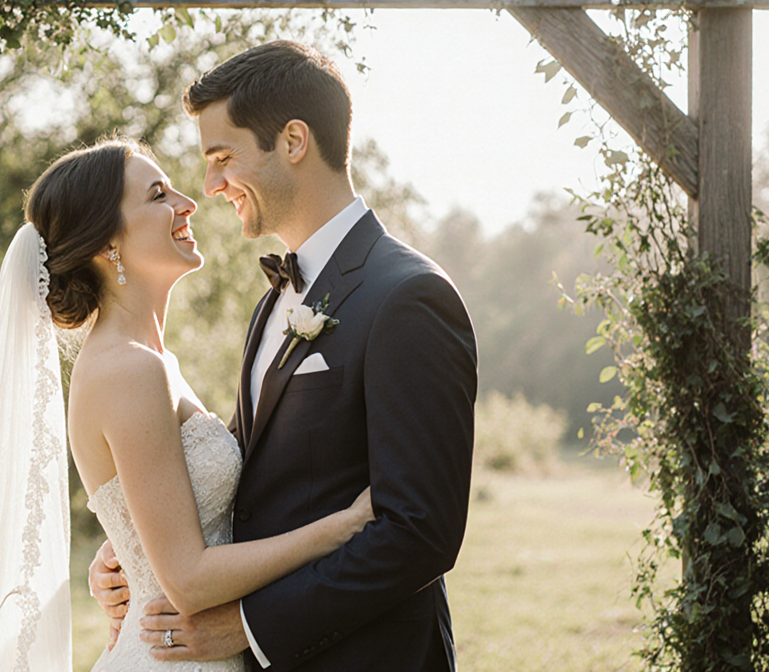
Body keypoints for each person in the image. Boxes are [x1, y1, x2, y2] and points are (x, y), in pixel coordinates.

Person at [88, 41, 478, 671]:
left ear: (293, 141)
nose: (210, 187)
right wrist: (133, 552)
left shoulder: (409, 297)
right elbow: (253, 472)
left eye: (223, 158)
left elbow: (420, 532)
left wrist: (249, 625)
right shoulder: (273, 302)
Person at [0, 137, 374, 672]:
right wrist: (343, 528)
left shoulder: (152, 360)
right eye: (159, 194)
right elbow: (187, 579)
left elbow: (166, 520)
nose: (188, 202)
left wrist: (122, 552)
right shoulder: (128, 369)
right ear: (105, 242)